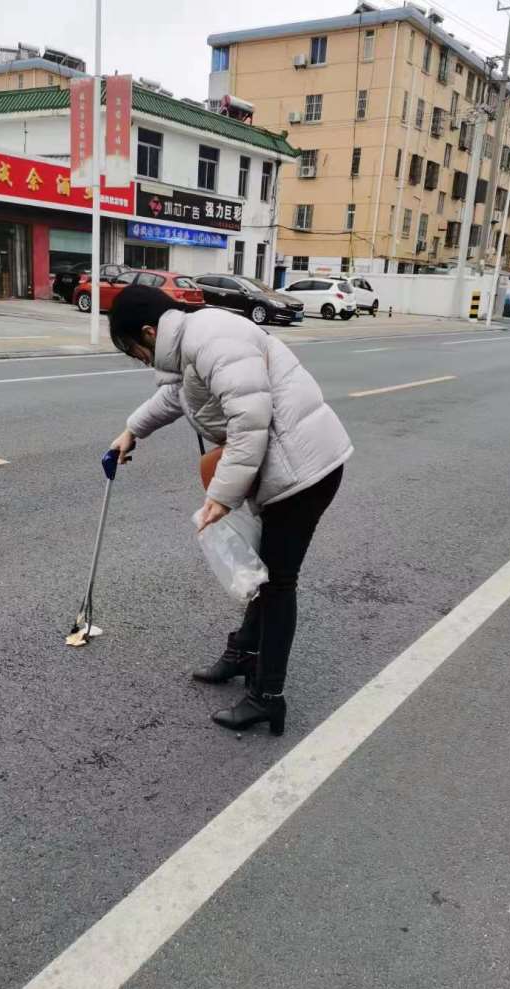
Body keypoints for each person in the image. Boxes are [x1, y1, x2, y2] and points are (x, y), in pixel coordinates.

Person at [108, 285, 353, 737]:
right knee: (264, 569)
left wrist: (221, 497)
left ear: (148, 332)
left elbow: (249, 422)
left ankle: (268, 697)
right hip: (286, 466)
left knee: (277, 582)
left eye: (132, 349)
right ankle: (244, 653)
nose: (138, 359)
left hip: (303, 472)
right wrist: (131, 432)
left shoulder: (212, 338)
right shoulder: (192, 345)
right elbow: (177, 397)